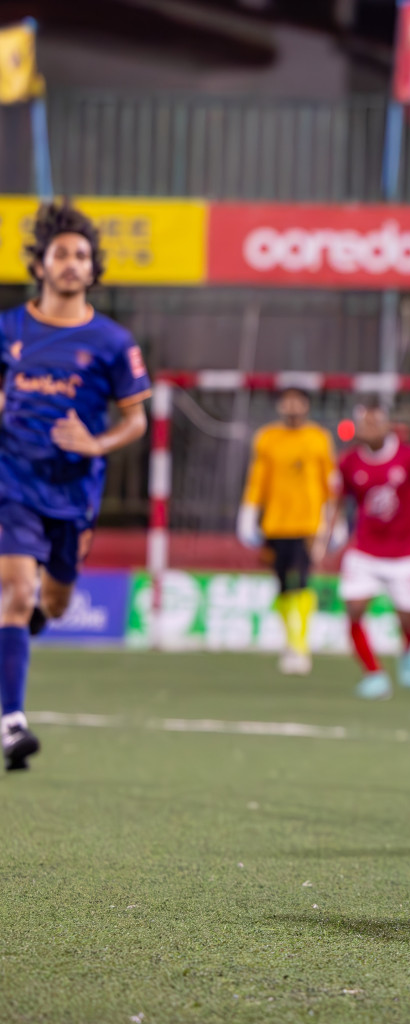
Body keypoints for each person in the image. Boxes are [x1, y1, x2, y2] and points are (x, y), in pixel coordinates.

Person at [0, 200, 151, 771]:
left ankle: (37, 615)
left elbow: (136, 420)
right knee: (14, 592)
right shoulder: (9, 329)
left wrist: (96, 443)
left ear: (93, 269)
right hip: (13, 480)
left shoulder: (113, 342)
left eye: (81, 255)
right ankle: (12, 723)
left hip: (75, 493)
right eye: (60, 253)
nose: (71, 263)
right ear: (39, 265)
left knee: (55, 604)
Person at [315, 399, 410, 700]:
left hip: (407, 553)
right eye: (363, 421)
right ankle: (374, 674)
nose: (368, 427)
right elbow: (337, 500)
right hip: (365, 550)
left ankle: (408, 649)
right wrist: (327, 541)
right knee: (354, 610)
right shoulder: (349, 462)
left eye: (374, 421)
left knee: (407, 616)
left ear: (387, 423)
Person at [237, 387, 337, 675]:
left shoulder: (319, 438)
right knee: (281, 582)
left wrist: (334, 519)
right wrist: (249, 512)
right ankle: (289, 640)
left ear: (306, 405)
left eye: (298, 400)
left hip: (308, 523)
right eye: (287, 401)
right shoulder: (267, 438)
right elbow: (258, 479)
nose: (292, 406)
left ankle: (300, 644)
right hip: (276, 523)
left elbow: (329, 480)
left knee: (302, 580)